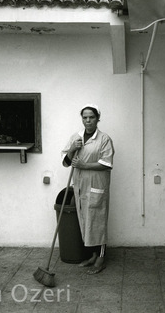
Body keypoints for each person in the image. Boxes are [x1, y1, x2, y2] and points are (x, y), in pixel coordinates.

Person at [61, 104, 114, 274]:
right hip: (81, 187)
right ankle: (93, 255)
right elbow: (65, 162)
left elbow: (107, 164)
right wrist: (72, 149)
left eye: (91, 117)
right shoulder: (76, 138)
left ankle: (101, 259)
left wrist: (84, 165)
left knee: (98, 222)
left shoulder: (104, 139)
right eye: (85, 117)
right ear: (82, 119)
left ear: (98, 118)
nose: (88, 120)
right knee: (87, 221)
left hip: (97, 186)